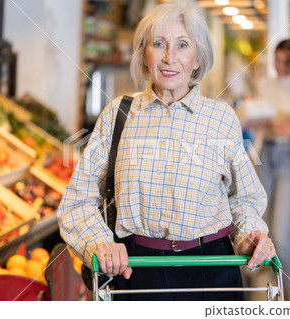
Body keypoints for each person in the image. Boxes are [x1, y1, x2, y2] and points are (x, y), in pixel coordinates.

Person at [57, 2, 275, 301]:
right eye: (159, 44)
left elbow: (245, 198)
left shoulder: (221, 119)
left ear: (197, 58)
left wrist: (250, 234)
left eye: (182, 45)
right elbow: (77, 202)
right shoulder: (118, 115)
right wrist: (100, 243)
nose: (169, 57)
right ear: (144, 55)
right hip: (135, 271)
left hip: (211, 271)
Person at [253, 39, 290, 301]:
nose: (282, 66)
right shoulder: (263, 84)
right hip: (265, 153)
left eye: (287, 61)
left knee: (284, 233)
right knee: (259, 222)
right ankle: (267, 279)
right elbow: (251, 120)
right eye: (278, 60)